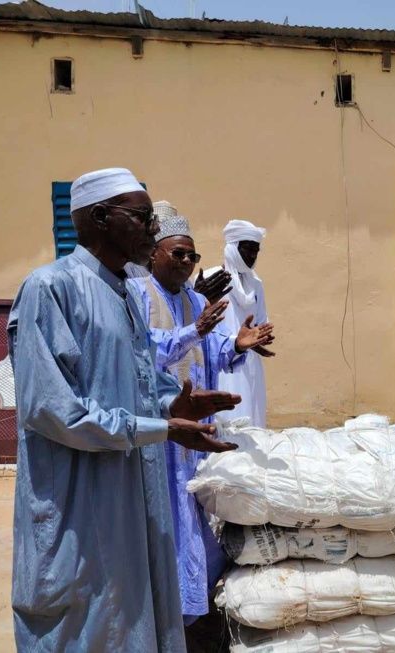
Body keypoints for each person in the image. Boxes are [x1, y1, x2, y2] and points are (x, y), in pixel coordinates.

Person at [8, 168, 241, 653]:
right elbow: (51, 408)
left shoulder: (124, 296)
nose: (152, 230)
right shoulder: (51, 289)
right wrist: (156, 425)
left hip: (134, 491)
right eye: (141, 218)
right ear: (99, 218)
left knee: (137, 611)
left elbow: (142, 383)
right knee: (85, 622)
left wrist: (173, 406)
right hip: (79, 498)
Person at [128, 205, 274, 635]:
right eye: (179, 255)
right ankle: (163, 614)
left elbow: (212, 352)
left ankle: (196, 611)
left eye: (193, 256)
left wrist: (238, 345)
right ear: (154, 254)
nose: (188, 263)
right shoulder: (138, 297)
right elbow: (142, 354)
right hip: (161, 434)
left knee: (199, 520)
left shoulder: (195, 300)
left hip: (199, 438)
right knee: (165, 525)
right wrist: (195, 331)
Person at [216, 219, 275, 427]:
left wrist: (260, 338)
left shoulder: (256, 284)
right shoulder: (210, 279)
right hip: (220, 364)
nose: (252, 256)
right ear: (232, 248)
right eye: (247, 249)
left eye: (256, 251)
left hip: (249, 364)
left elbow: (260, 321)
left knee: (252, 422)